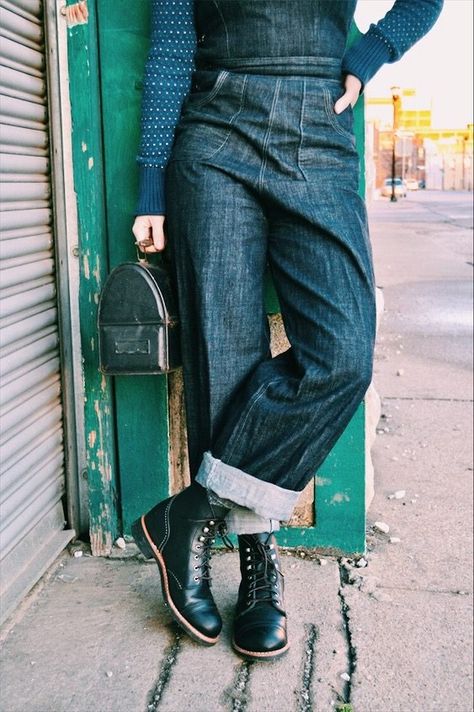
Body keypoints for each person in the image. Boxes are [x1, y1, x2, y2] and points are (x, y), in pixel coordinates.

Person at [131, 0, 443, 660]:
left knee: (343, 355)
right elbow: (168, 45)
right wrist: (150, 184)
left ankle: (192, 511)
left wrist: (371, 53)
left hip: (319, 125)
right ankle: (255, 569)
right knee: (223, 355)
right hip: (213, 133)